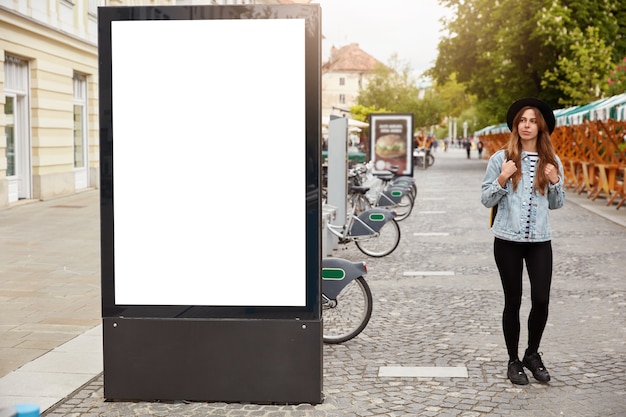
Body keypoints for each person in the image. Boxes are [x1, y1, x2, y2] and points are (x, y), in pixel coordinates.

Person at [480, 98, 565, 386]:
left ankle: (532, 354)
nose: (527, 125)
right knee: (512, 301)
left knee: (541, 299)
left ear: (541, 126)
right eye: (522, 120)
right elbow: (486, 199)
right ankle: (513, 360)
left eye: (532, 120)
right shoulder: (500, 159)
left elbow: (557, 204)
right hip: (507, 240)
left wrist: (555, 181)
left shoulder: (552, 162)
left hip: (540, 240)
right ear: (516, 125)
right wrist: (503, 178)